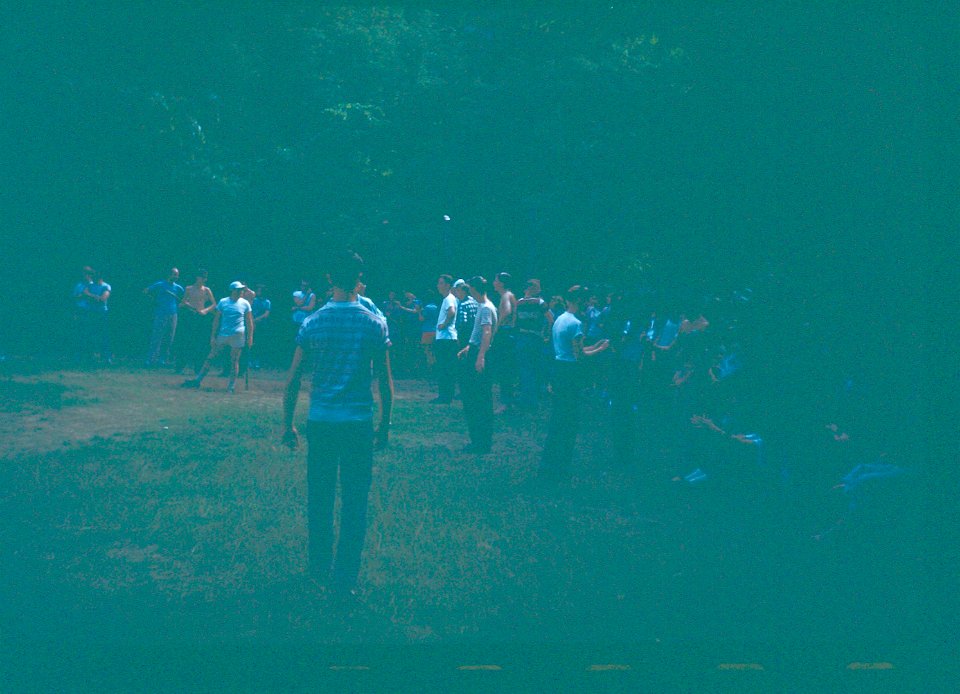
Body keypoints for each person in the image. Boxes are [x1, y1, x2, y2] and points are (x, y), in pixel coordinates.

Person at [282, 250, 393, 596]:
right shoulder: (374, 323)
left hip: (322, 422)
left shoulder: (313, 322)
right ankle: (345, 579)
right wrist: (385, 425)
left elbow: (293, 380)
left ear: (330, 279)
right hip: (358, 422)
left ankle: (318, 569)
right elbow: (385, 384)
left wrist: (288, 425)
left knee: (321, 496)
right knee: (355, 502)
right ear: (359, 278)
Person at [540, 286, 610, 481]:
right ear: (579, 300)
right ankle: (561, 466)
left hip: (559, 368)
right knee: (569, 421)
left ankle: (550, 463)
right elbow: (579, 356)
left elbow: (569, 349)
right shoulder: (576, 324)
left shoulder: (560, 319)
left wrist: (594, 346)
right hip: (570, 373)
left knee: (558, 418)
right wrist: (601, 349)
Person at [181, 281, 253, 393]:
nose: (241, 292)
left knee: (234, 360)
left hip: (238, 335)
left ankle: (231, 386)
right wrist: (213, 336)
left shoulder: (245, 303)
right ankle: (197, 380)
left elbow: (249, 322)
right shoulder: (223, 302)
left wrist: (250, 338)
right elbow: (216, 320)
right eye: (238, 290)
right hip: (223, 334)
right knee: (211, 357)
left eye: (241, 290)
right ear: (233, 290)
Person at [457, 276, 498, 454]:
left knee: (477, 399)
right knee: (477, 397)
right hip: (475, 349)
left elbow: (487, 332)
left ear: (473, 289)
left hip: (480, 353)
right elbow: (480, 333)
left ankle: (480, 441)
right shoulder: (485, 307)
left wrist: (480, 356)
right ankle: (480, 440)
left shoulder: (486, 308)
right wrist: (469, 346)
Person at [514, 278, 553, 409]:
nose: (540, 289)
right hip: (536, 338)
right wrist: (546, 334)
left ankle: (526, 398)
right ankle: (534, 398)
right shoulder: (540, 302)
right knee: (536, 367)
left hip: (522, 337)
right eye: (538, 286)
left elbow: (515, 321)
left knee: (524, 368)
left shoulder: (518, 303)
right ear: (531, 288)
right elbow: (550, 319)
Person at [176, 269, 216, 374]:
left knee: (199, 343)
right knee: (186, 341)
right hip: (190, 316)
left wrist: (205, 310)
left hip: (200, 317)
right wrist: (188, 305)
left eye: (204, 278)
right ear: (197, 278)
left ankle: (198, 368)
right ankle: (180, 366)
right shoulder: (189, 289)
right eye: (201, 277)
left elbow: (214, 304)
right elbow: (183, 302)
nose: (203, 280)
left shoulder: (207, 290)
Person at [143, 268, 185, 367]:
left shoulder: (178, 288)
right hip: (161, 313)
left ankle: (163, 360)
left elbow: (184, 299)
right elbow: (146, 291)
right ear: (169, 275)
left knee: (169, 337)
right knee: (157, 336)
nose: (176, 277)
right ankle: (151, 359)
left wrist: (180, 304)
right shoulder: (160, 284)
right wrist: (154, 300)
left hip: (173, 314)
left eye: (177, 275)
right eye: (174, 274)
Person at [431, 275, 459, 404]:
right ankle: (447, 394)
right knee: (447, 368)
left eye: (441, 283)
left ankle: (444, 395)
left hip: (446, 338)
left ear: (448, 285)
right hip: (447, 338)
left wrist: (444, 324)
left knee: (444, 368)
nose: (438, 285)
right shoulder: (449, 298)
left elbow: (451, 312)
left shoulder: (448, 299)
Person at [492, 272, 518, 410]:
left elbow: (507, 311)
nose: (493, 282)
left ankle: (506, 402)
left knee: (504, 369)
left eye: (495, 280)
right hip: (509, 334)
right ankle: (508, 400)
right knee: (506, 369)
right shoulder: (509, 295)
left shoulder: (505, 296)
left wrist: (497, 326)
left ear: (501, 283)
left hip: (504, 335)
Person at [83, 269, 112, 364]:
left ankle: (107, 357)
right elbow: (85, 294)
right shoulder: (90, 285)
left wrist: (91, 296)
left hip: (102, 313)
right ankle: (92, 356)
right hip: (92, 312)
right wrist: (95, 297)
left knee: (104, 335)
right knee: (91, 334)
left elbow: (103, 299)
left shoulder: (106, 286)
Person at [71, 266, 95, 363]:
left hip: (91, 311)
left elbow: (96, 298)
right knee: (80, 333)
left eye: (86, 273)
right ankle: (79, 356)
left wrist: (87, 295)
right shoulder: (79, 285)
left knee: (91, 333)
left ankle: (91, 355)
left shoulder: (94, 285)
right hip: (80, 310)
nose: (84, 275)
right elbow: (74, 297)